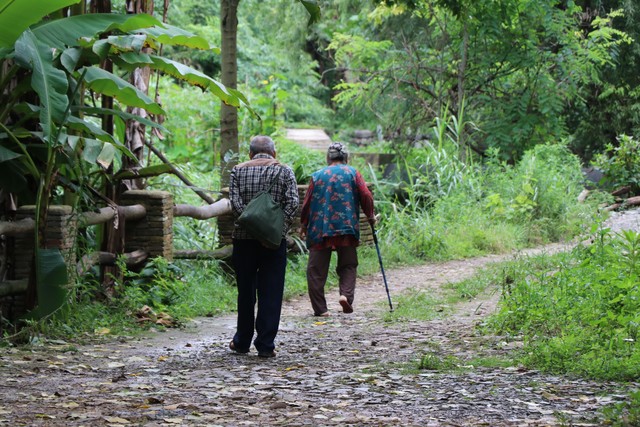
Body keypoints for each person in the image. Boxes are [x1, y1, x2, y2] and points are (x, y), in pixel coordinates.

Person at [228, 135, 299, 358]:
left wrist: (252, 225)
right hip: (273, 242)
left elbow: (235, 204)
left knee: (245, 292)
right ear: (274, 153)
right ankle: (266, 345)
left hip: (243, 239)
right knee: (271, 292)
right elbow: (293, 203)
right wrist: (274, 229)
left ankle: (241, 342)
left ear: (250, 154)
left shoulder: (237, 171)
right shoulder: (285, 171)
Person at [300, 142, 375, 317]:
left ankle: (321, 310)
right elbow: (366, 194)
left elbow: (307, 202)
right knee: (348, 264)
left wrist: (303, 224)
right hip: (346, 226)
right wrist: (370, 215)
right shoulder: (353, 173)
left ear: (328, 158)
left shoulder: (318, 176)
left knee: (316, 270)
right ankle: (345, 296)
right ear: (345, 157)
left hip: (320, 228)